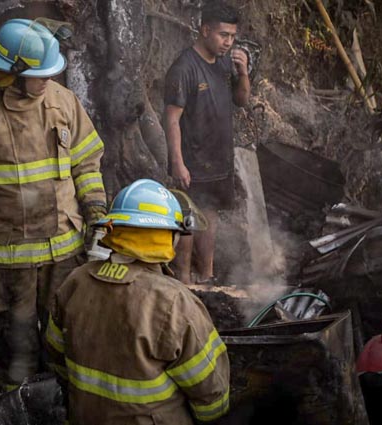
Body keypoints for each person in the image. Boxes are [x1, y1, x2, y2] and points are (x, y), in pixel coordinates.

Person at [0, 18, 108, 390]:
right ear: (10, 74)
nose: (49, 79)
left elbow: (86, 163)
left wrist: (96, 210)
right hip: (8, 258)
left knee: (68, 340)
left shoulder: (63, 102)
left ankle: (63, 405)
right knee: (18, 351)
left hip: (65, 252)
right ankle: (18, 405)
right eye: (40, 73)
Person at [45, 178, 231, 424]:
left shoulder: (74, 283)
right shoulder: (174, 302)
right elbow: (211, 397)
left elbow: (56, 361)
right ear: (169, 237)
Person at [164, 1, 251, 285]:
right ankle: (185, 280)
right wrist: (177, 161)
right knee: (188, 220)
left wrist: (244, 74)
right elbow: (172, 119)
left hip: (219, 158)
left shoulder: (226, 62)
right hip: (192, 160)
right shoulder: (184, 68)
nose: (229, 42)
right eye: (223, 35)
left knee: (210, 216)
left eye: (233, 36)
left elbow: (242, 100)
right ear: (205, 30)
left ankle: (208, 275)